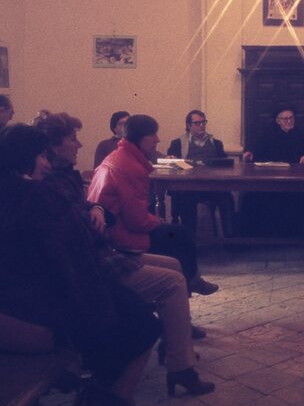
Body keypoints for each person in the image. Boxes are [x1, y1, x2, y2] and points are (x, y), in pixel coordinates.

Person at [0, 124, 162, 406]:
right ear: (22, 157)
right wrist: (96, 313)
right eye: (41, 156)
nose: (46, 163)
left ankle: (102, 392)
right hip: (39, 308)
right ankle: (111, 399)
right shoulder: (39, 197)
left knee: (126, 313)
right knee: (144, 324)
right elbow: (73, 262)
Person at [33, 112, 214, 396]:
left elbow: (87, 212)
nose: (79, 144)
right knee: (176, 252)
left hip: (104, 245)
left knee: (174, 260)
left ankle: (177, 343)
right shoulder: (119, 166)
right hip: (109, 247)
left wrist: (95, 210)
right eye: (73, 139)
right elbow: (134, 220)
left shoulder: (76, 172)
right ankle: (181, 365)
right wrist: (154, 223)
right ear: (55, 145)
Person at [87, 114, 219, 296]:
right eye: (153, 134)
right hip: (119, 235)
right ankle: (187, 283)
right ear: (140, 137)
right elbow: (137, 221)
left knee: (174, 233)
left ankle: (189, 283)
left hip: (111, 229)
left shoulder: (119, 157)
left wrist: (155, 221)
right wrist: (157, 222)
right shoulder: (129, 166)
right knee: (179, 235)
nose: (158, 139)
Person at [240, 106, 304, 236]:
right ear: (278, 121)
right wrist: (250, 153)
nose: (289, 121)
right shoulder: (268, 134)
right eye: (285, 119)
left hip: (298, 179)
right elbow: (253, 149)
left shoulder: (303, 133)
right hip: (271, 178)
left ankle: (302, 234)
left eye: (291, 118)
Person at [166, 110, 235, 237]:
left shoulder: (216, 143)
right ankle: (189, 238)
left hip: (213, 186)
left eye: (203, 122)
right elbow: (171, 165)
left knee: (227, 197)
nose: (202, 126)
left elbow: (225, 164)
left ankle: (230, 240)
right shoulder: (177, 143)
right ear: (189, 125)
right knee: (186, 199)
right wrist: (172, 160)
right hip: (189, 186)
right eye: (197, 123)